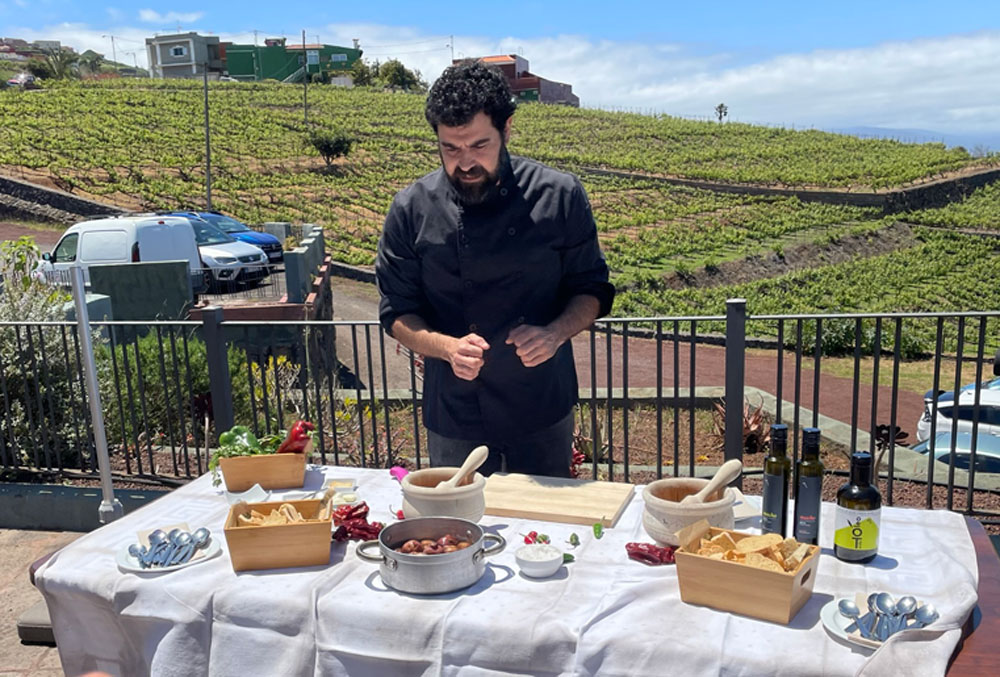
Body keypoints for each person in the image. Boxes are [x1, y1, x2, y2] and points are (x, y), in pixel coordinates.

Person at [375, 60, 614, 477]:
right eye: (451, 148)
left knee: (545, 534)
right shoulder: (411, 209)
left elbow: (592, 289)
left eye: (479, 146)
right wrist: (447, 348)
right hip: (454, 412)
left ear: (506, 130)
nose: (465, 162)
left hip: (542, 406)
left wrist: (555, 333)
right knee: (456, 527)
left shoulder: (559, 195)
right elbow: (396, 313)